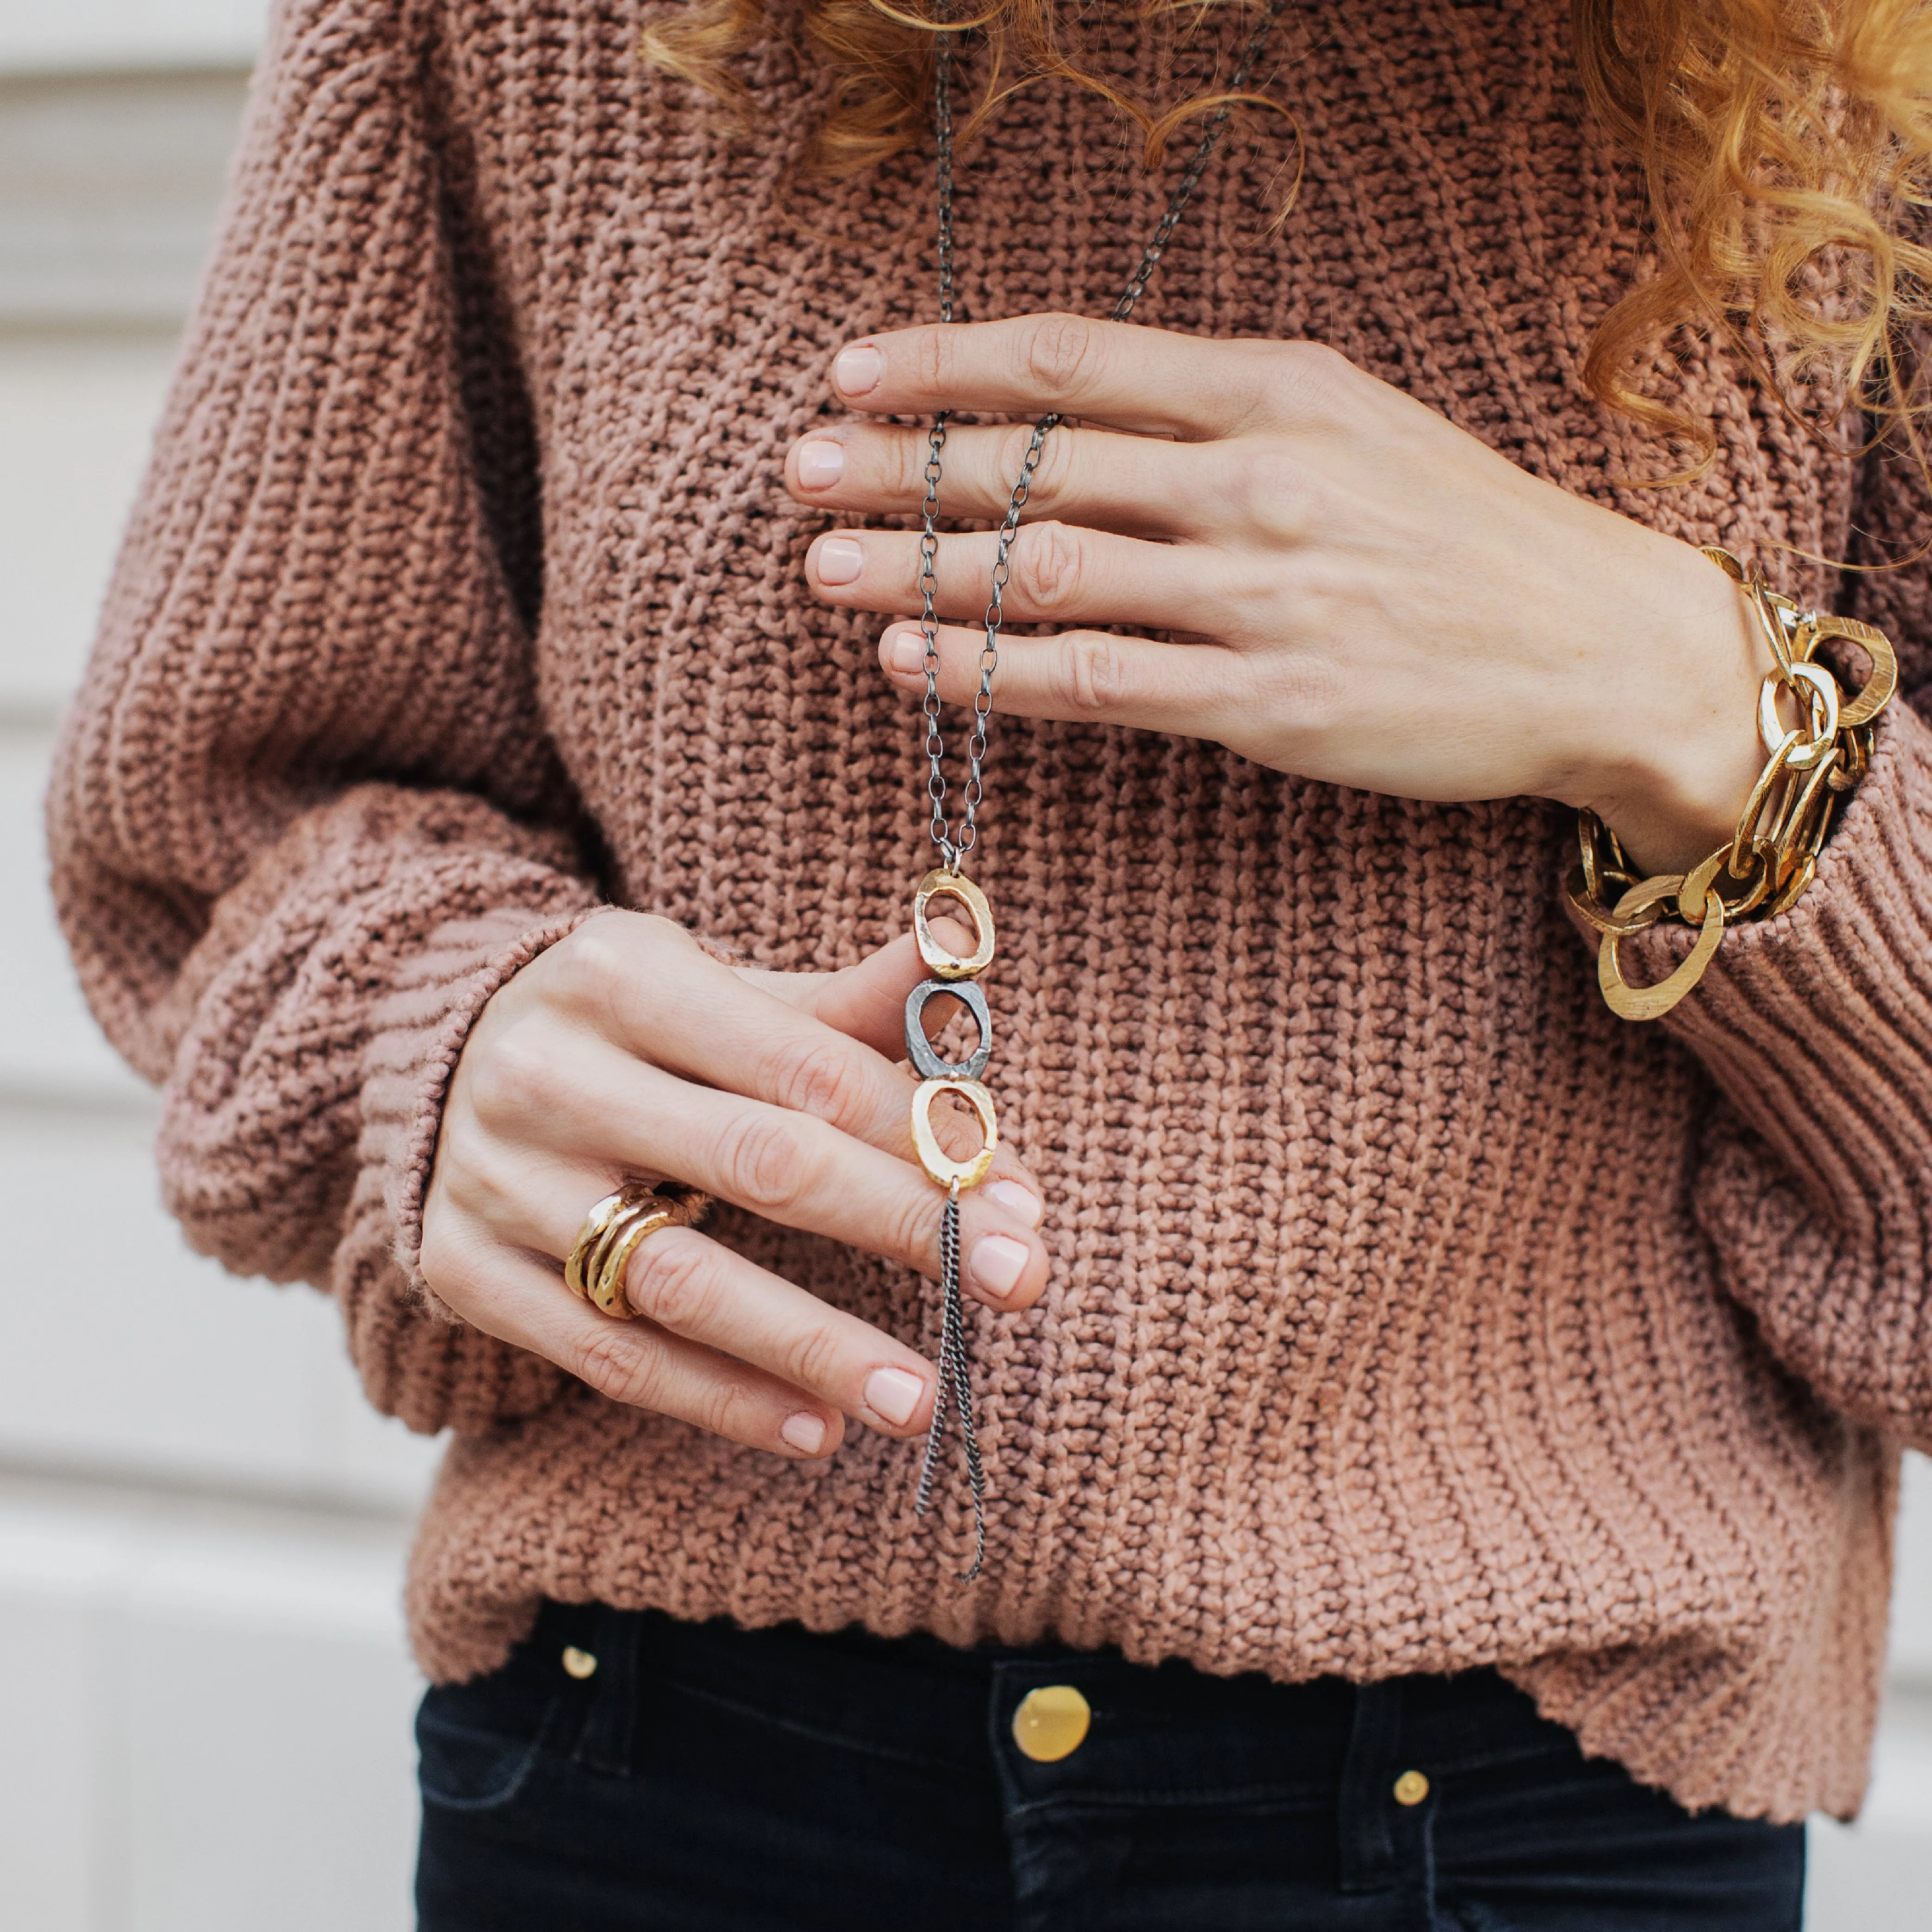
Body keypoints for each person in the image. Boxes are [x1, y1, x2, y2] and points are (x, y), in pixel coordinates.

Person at [45, 0, 1932, 1925]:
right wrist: (441, 1039)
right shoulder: (505, 33)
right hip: (656, 1762)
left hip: (1520, 1804)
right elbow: (229, 835)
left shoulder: (1870, 76)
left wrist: (1703, 708)